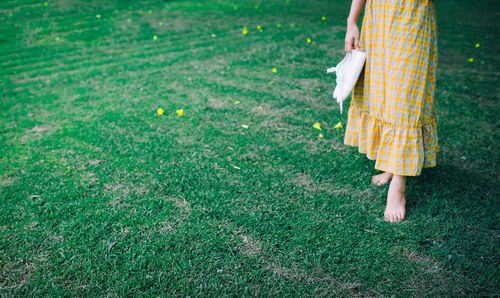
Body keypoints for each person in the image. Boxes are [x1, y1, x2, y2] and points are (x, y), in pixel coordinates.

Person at [343, 0, 438, 222]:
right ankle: (392, 164)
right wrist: (351, 21)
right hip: (379, 18)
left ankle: (399, 185)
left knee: (406, 93)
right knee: (382, 92)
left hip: (412, 18)